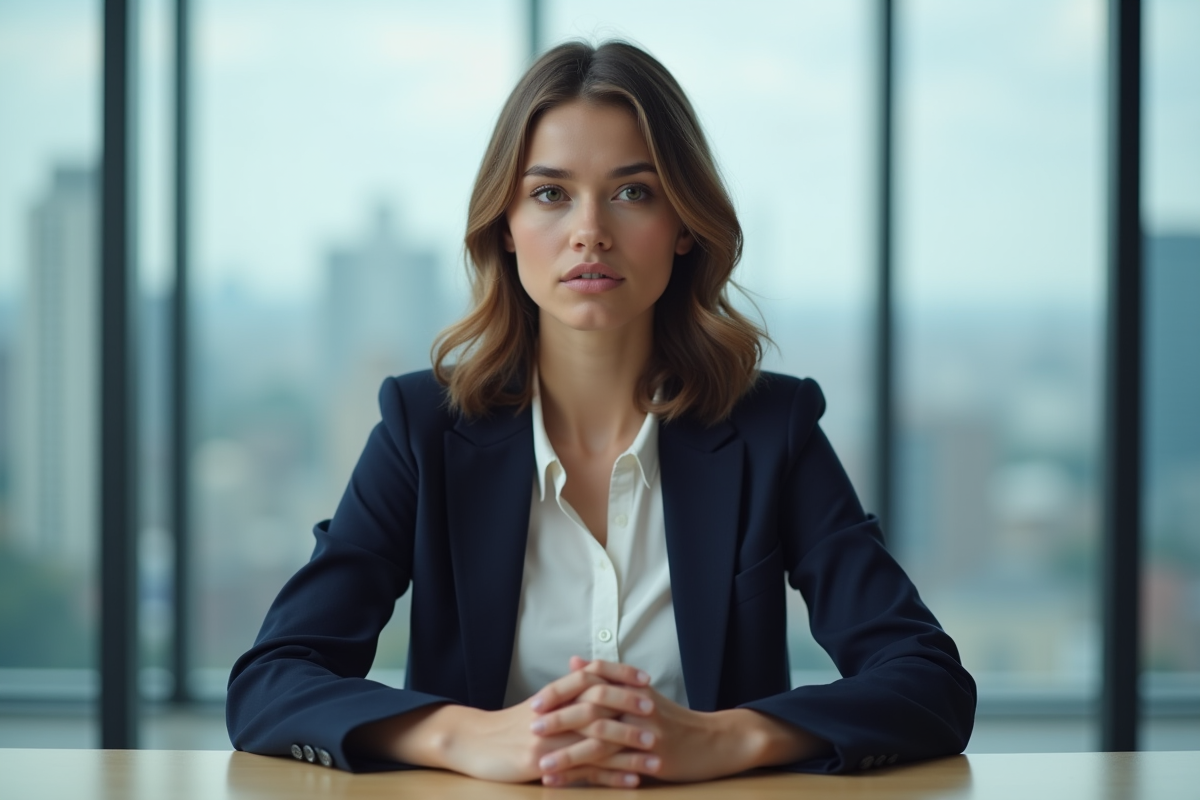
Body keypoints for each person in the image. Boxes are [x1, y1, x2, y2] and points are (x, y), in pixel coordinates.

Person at [226, 40, 976, 788]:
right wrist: (467, 737)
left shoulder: (770, 430)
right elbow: (272, 682)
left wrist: (724, 740)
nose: (591, 230)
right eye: (551, 194)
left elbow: (927, 682)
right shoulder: (423, 429)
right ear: (505, 227)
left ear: (684, 224)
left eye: (633, 192)